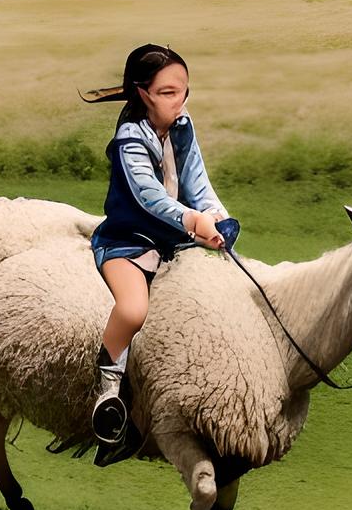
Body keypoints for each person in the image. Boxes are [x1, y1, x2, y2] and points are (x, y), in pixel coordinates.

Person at [79, 44, 237, 465]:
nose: (179, 101)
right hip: (128, 241)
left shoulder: (183, 126)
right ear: (142, 94)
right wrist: (192, 220)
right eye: (168, 93)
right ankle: (107, 395)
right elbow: (149, 197)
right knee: (132, 311)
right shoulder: (130, 137)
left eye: (184, 91)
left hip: (173, 241)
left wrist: (217, 217)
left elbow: (198, 181)